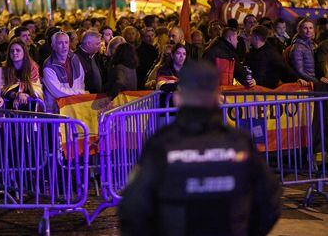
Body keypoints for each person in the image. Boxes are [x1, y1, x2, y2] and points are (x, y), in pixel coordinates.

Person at [118, 60, 281, 236]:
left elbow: (132, 209)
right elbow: (269, 202)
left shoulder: (161, 144)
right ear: (219, 98)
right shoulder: (240, 142)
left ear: (177, 99)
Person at [43, 31, 86, 112]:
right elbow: (57, 91)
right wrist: (78, 92)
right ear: (53, 46)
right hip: (56, 109)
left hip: (74, 105)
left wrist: (78, 97)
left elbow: (81, 80)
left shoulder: (74, 58)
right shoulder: (48, 65)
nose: (64, 46)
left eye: (66, 42)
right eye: (60, 43)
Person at [1, 39, 43, 110]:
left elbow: (36, 89)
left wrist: (25, 95)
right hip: (9, 105)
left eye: (18, 50)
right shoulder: (4, 68)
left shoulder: (32, 67)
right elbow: (1, 88)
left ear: (24, 52)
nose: (14, 53)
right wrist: (16, 95)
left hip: (29, 107)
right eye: (12, 51)